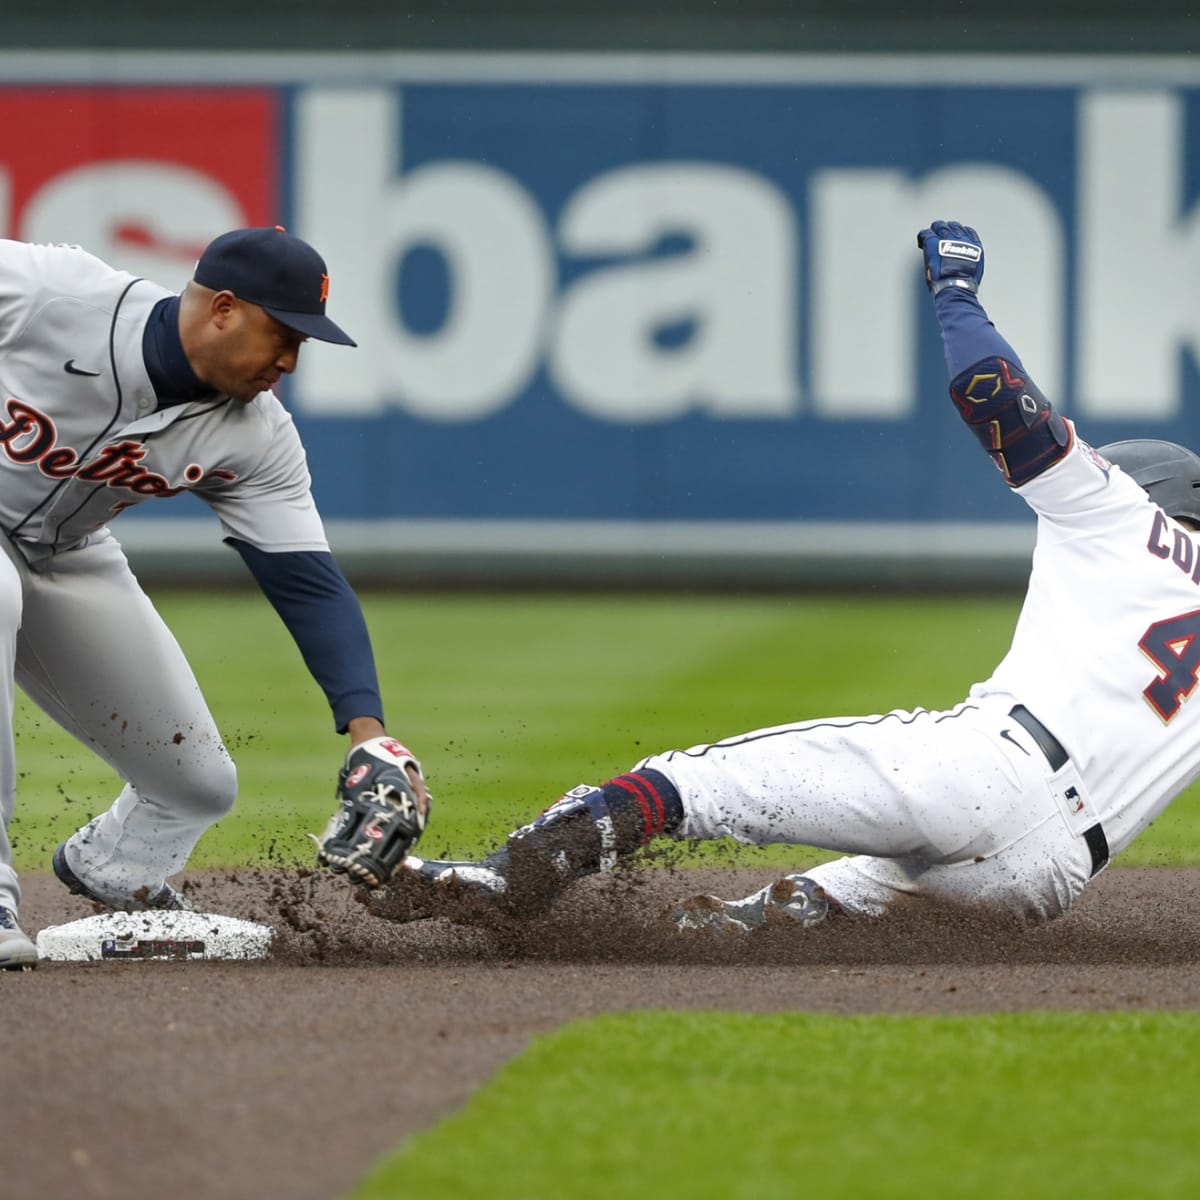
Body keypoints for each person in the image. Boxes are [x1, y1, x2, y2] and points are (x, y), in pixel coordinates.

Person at [350, 219, 1200, 936]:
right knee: (832, 899)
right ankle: (777, 913)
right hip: (1047, 880)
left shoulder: (1122, 514)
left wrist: (956, 295)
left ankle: (514, 873)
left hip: (989, 773)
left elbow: (994, 395)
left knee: (694, 782)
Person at [0, 226, 429, 969]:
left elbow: (308, 583)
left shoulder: (256, 436)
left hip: (65, 552)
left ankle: (119, 868)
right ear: (223, 309)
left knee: (194, 785)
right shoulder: (47, 292)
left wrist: (371, 733)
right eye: (283, 335)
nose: (290, 362)